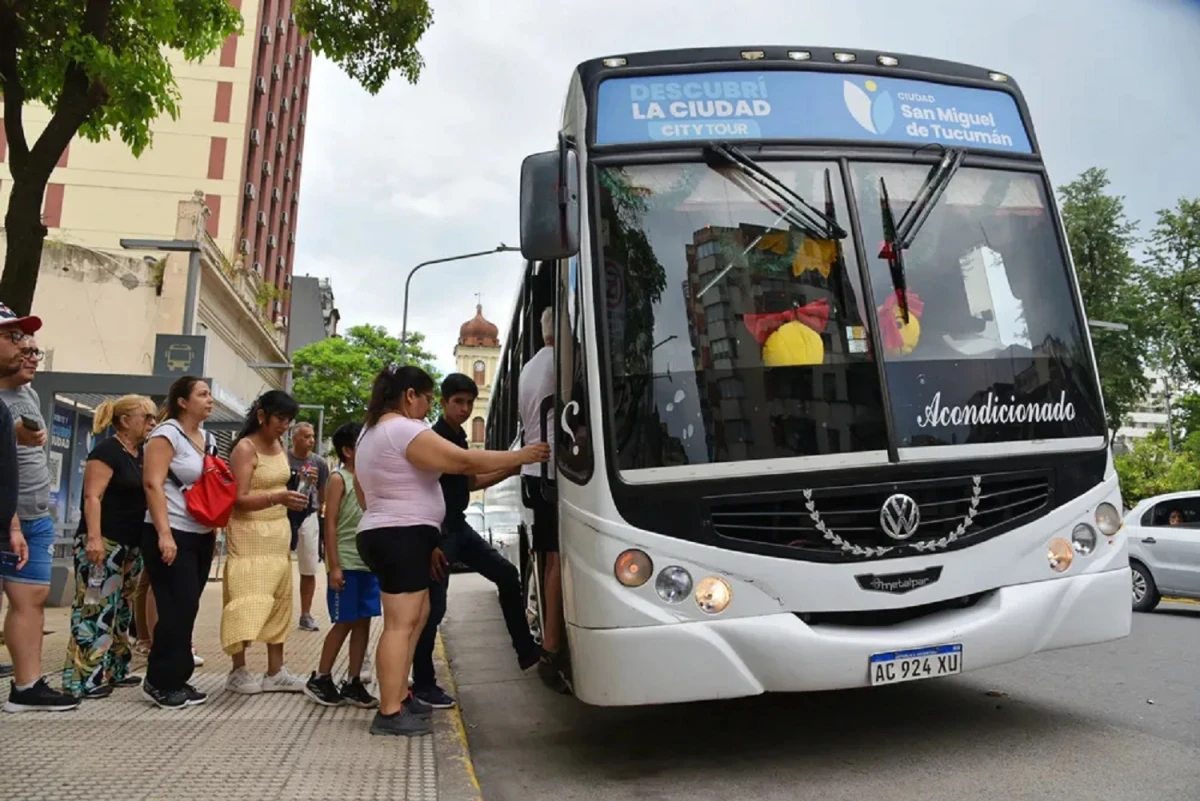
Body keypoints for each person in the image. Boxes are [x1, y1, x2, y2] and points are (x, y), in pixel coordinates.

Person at [353, 364, 548, 736]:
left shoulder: (371, 433)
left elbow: (365, 494)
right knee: (400, 623)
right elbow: (463, 463)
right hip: (401, 534)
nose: (428, 408)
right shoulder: (403, 429)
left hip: (391, 530)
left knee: (418, 615)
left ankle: (401, 695)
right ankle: (390, 711)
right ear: (410, 395)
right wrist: (522, 456)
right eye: (427, 399)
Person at [411, 373, 543, 709]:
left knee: (507, 575)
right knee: (433, 610)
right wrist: (518, 457)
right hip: (439, 532)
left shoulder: (459, 437)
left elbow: (470, 481)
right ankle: (423, 683)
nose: (465, 409)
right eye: (458, 402)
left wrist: (513, 470)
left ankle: (526, 651)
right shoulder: (435, 438)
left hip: (460, 527)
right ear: (443, 403)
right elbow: (459, 471)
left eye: (469, 403)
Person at [0, 328, 80, 712]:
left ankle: (27, 685)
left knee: (30, 599)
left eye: (34, 350)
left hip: (34, 514)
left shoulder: (27, 394)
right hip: (6, 516)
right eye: (19, 344)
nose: (30, 355)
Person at [62, 395, 158, 699]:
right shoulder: (106, 452)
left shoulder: (142, 453)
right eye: (147, 417)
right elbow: (92, 497)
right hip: (104, 540)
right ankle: (83, 678)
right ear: (126, 419)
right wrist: (93, 537)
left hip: (131, 545)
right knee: (95, 607)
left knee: (122, 608)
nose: (152, 424)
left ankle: (116, 667)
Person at [222, 391, 310, 694]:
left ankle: (276, 670)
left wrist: (293, 492)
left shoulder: (279, 445)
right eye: (280, 419)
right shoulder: (245, 448)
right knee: (246, 597)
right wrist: (277, 497)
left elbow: (279, 482)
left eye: (288, 420)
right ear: (262, 416)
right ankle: (238, 668)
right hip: (249, 533)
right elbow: (239, 499)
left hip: (277, 531)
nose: (284, 426)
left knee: (279, 597)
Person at [141, 376, 218, 709]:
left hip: (200, 532)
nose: (209, 400)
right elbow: (152, 483)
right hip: (171, 530)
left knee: (189, 606)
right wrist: (164, 533)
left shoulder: (207, 438)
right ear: (183, 401)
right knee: (175, 604)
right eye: (202, 394)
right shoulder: (166, 433)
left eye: (210, 394)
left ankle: (178, 676)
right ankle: (158, 680)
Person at [304, 422, 378, 708]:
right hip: (346, 562)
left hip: (367, 563)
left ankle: (353, 680)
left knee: (363, 623)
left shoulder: (369, 479)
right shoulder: (339, 479)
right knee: (344, 621)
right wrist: (334, 566)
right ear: (348, 450)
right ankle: (321, 677)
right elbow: (330, 523)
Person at [517, 307, 568, 690]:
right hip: (552, 475)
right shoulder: (561, 363)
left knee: (549, 557)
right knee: (556, 561)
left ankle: (552, 644)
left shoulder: (530, 367)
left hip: (535, 476)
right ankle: (552, 647)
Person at [287, 422, 328, 632]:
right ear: (294, 439)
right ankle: (279, 614)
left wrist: (318, 508)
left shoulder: (319, 463)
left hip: (309, 514)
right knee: (280, 565)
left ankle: (306, 613)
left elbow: (323, 491)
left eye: (312, 436)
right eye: (306, 437)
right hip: (284, 515)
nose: (311, 440)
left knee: (309, 567)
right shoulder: (284, 459)